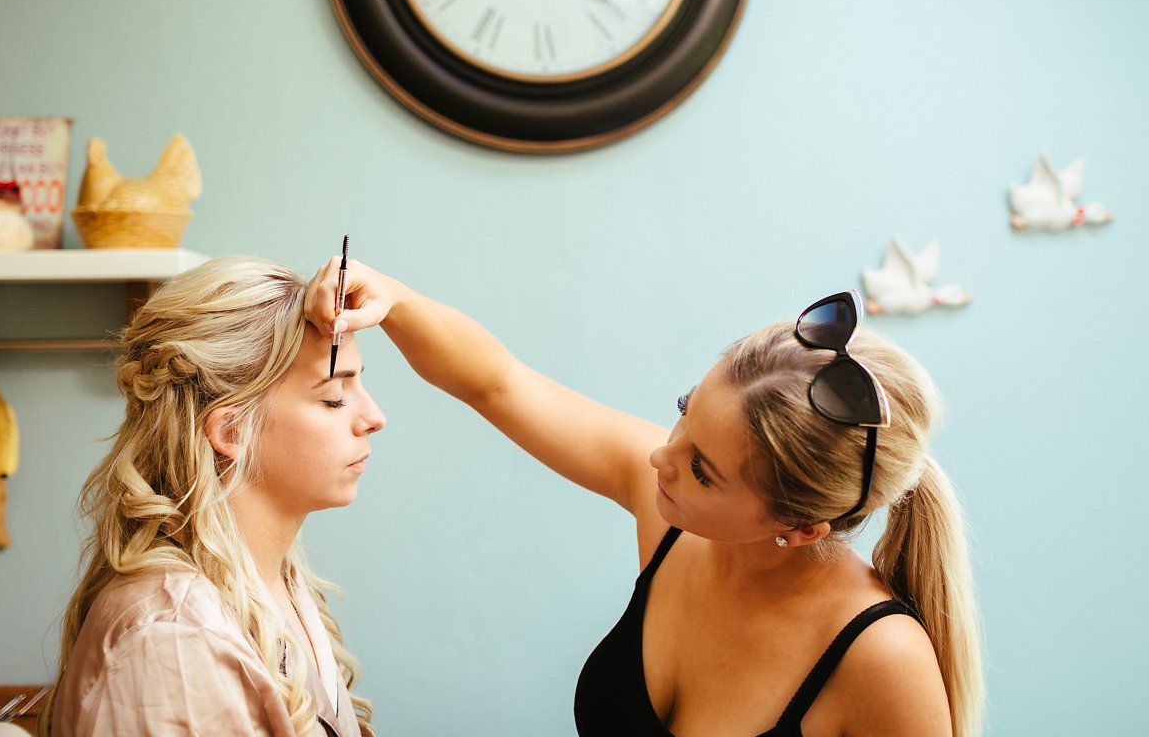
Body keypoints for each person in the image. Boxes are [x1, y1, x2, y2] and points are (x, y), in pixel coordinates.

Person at [306, 261, 983, 737]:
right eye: (685, 413)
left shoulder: (879, 657)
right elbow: (497, 384)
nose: (661, 456)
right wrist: (389, 295)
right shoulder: (675, 521)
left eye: (704, 470)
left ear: (802, 527)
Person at [44, 256, 385, 737]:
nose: (374, 416)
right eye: (333, 397)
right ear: (232, 429)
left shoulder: (271, 582)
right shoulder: (171, 641)